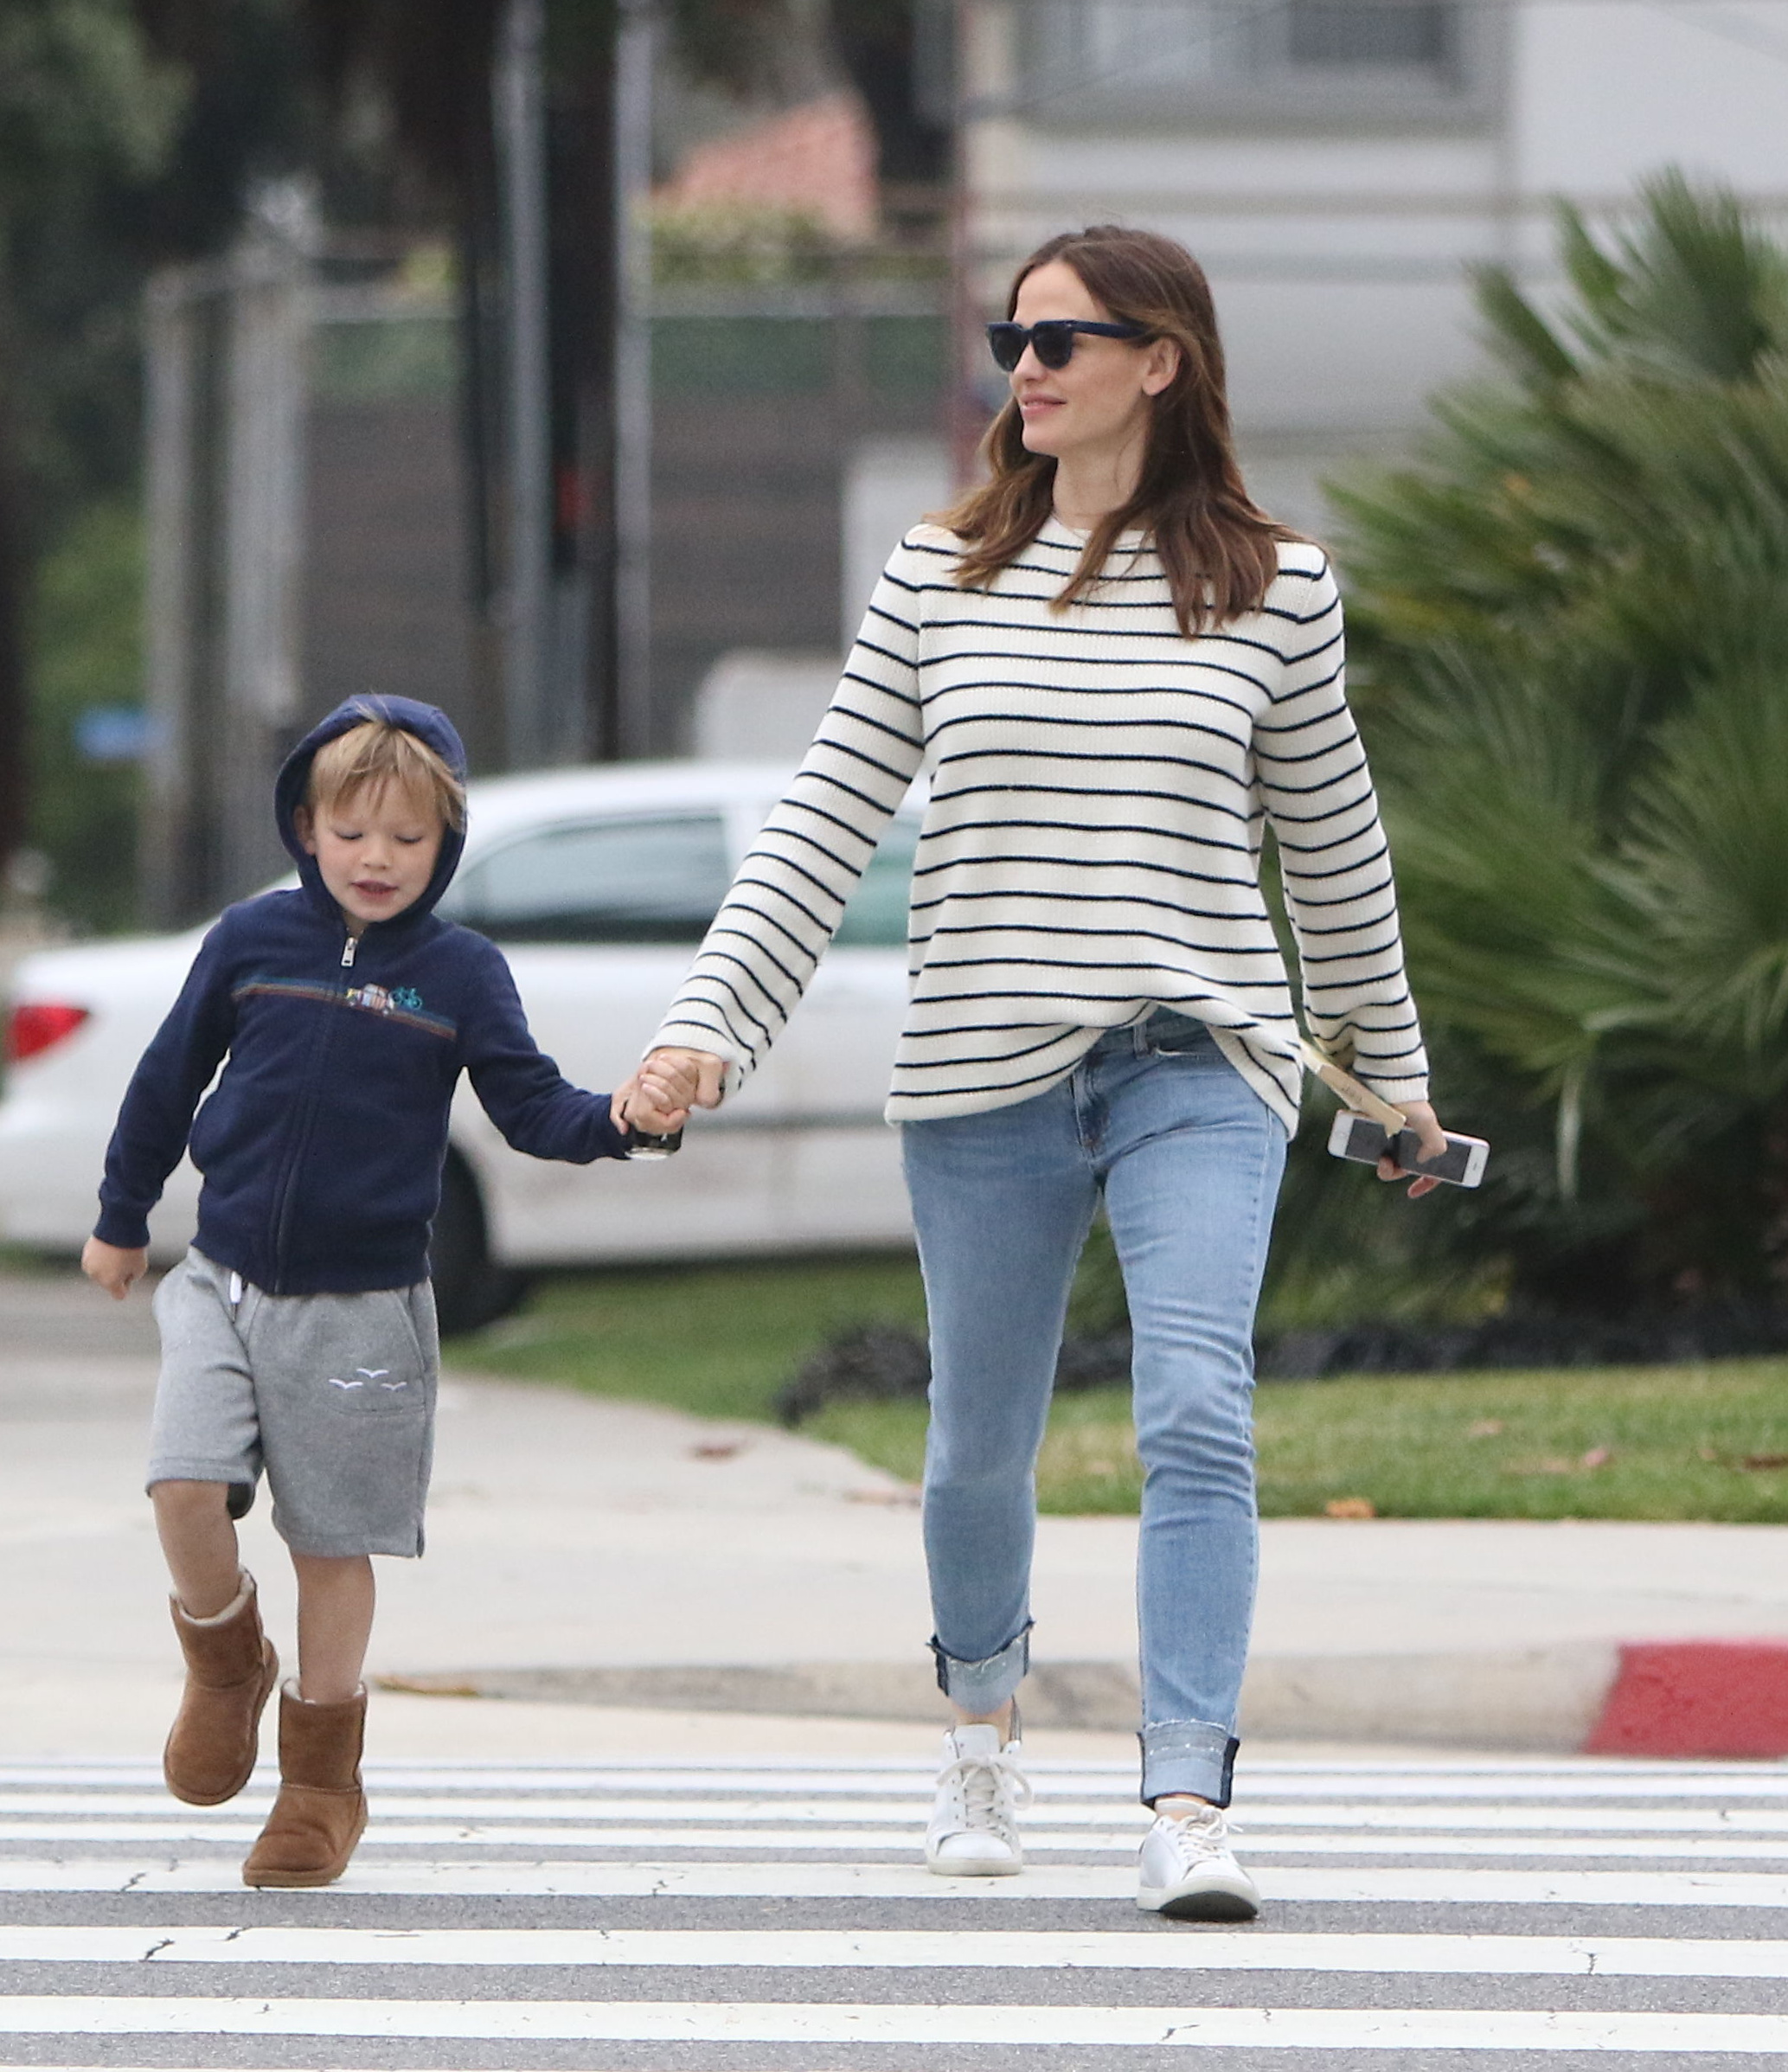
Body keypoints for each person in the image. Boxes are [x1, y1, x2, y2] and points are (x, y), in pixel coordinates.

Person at [625, 225, 1449, 1921]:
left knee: (1197, 1408)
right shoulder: (939, 574)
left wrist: (1388, 1081)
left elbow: (1331, 851)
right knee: (976, 1447)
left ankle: (1186, 1798)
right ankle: (979, 1728)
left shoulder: (1276, 589)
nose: (1027, 365)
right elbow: (825, 816)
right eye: (1013, 336)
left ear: (1162, 361)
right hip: (981, 1067)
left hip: (1197, 1063)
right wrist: (705, 1025)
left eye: (1062, 338)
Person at [81, 696, 691, 1889]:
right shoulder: (250, 940)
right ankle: (225, 1662)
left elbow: (531, 1106)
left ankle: (320, 1782)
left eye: (407, 838)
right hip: (222, 1277)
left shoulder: (459, 971)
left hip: (363, 1307)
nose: (376, 858)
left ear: (444, 843)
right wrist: (120, 1214)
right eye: (351, 832)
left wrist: (627, 1119)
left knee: (331, 1541)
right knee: (182, 1485)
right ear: (305, 828)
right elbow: (166, 1077)